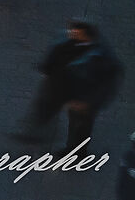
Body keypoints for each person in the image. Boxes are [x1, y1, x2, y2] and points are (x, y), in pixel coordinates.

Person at [18, 22, 121, 152]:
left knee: (80, 125)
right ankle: (36, 133)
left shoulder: (102, 56)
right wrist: (47, 68)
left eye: (76, 32)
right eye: (72, 31)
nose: (70, 33)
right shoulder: (68, 39)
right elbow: (56, 52)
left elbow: (106, 83)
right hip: (62, 86)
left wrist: (88, 102)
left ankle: (77, 152)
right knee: (46, 108)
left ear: (86, 35)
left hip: (82, 98)